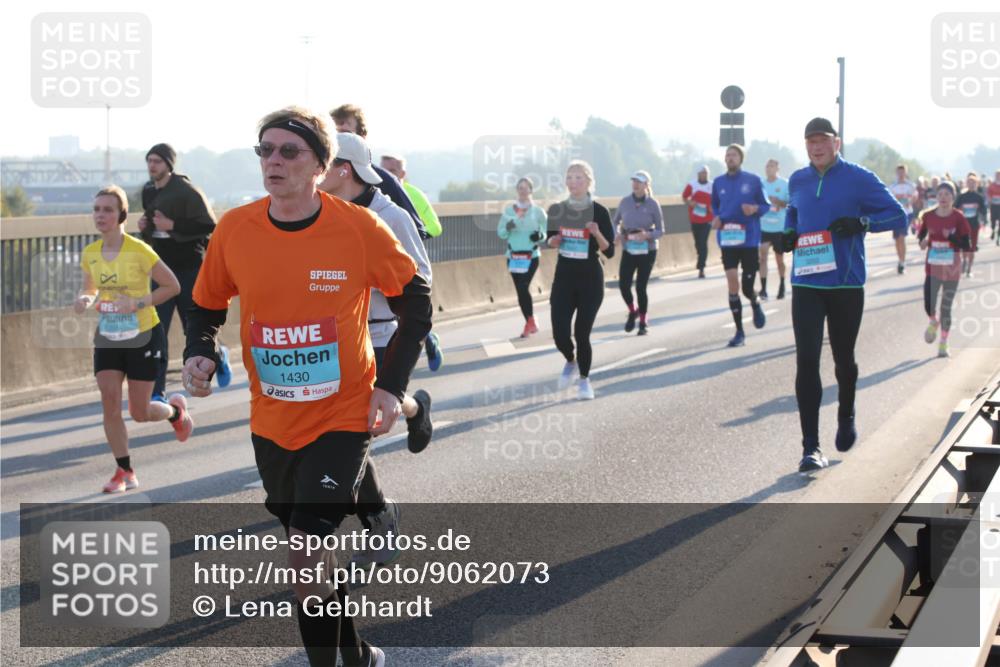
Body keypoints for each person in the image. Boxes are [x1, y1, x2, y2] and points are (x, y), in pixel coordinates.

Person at [182, 107, 432, 667]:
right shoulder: (235, 229)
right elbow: (205, 303)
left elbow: (416, 305)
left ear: (321, 165)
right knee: (310, 567)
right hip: (272, 419)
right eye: (264, 150)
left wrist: (391, 386)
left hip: (343, 413)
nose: (273, 160)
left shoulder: (359, 228)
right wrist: (198, 350)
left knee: (303, 552)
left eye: (288, 151)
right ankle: (360, 655)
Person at [784, 117, 907, 473]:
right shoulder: (798, 179)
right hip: (806, 281)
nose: (816, 147)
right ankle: (811, 448)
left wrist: (862, 223)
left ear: (836, 144)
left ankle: (846, 412)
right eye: (810, 141)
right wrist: (789, 232)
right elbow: (794, 209)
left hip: (846, 284)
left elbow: (897, 216)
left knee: (843, 360)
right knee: (806, 360)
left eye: (822, 140)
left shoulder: (859, 178)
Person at [75, 186, 193, 494]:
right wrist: (85, 299)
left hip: (143, 335)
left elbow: (173, 286)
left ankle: (176, 412)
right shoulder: (90, 254)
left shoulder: (139, 251)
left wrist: (138, 303)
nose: (101, 215)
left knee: (140, 412)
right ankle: (124, 470)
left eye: (108, 210)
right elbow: (90, 287)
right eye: (97, 209)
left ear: (122, 215)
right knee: (109, 401)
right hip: (109, 336)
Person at [331, 104, 443, 373]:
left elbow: (422, 279)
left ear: (345, 169)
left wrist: (373, 277)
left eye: (322, 164)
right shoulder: (322, 215)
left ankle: (413, 407)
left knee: (372, 408)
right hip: (333, 341)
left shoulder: (391, 216)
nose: (313, 172)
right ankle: (413, 408)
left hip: (380, 336)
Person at [138, 144, 224, 401]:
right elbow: (153, 229)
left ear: (168, 164)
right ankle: (157, 392)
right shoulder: (148, 190)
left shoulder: (187, 191)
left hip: (189, 270)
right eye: (149, 161)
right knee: (157, 331)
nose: (152, 166)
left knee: (194, 329)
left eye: (157, 161)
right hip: (161, 271)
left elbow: (209, 225)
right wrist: (145, 227)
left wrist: (173, 225)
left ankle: (219, 357)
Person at [546, 160, 614, 400]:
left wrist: (596, 232)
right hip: (564, 278)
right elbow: (550, 239)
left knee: (581, 333)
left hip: (590, 280)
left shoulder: (599, 212)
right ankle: (570, 360)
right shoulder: (557, 210)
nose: (573, 182)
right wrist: (553, 242)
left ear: (588, 182)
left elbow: (610, 251)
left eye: (578, 178)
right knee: (560, 333)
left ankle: (585, 380)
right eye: (570, 177)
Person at [711, 144, 770, 347]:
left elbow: (766, 206)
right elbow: (715, 206)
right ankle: (739, 332)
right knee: (732, 283)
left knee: (746, 287)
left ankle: (754, 302)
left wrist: (754, 208)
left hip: (749, 239)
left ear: (740, 158)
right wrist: (716, 218)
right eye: (727, 155)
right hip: (727, 239)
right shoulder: (718, 182)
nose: (730, 158)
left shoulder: (753, 180)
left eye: (733, 155)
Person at [917, 181, 972, 358]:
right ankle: (933, 321)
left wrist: (952, 237)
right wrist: (923, 242)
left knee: (946, 307)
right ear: (936, 197)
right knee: (929, 304)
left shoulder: (959, 217)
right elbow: (922, 235)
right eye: (940, 194)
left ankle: (943, 342)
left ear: (953, 197)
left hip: (951, 269)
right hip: (933, 267)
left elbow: (967, 244)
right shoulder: (928, 216)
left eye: (947, 194)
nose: (943, 198)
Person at [614, 170, 663, 335]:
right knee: (623, 285)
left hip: (647, 250)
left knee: (641, 287)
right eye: (634, 181)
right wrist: (618, 235)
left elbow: (661, 230)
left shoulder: (653, 204)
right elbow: (614, 222)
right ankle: (632, 310)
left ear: (646, 185)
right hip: (629, 248)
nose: (635, 184)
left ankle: (643, 321)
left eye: (639, 181)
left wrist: (647, 235)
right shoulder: (625, 202)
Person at [497, 177, 547, 338]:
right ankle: (530, 321)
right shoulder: (510, 211)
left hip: (531, 256)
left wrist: (539, 235)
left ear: (531, 191)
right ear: (517, 190)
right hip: (513, 256)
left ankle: (530, 321)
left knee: (524, 286)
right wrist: (508, 226)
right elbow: (501, 233)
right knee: (520, 291)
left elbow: (546, 233)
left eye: (526, 188)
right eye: (520, 188)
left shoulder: (538, 212)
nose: (523, 191)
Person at [380, 154, 442, 237]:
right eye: (382, 171)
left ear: (402, 174)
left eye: (391, 171)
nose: (386, 175)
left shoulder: (416, 195)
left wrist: (412, 236)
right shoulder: (373, 192)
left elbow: (435, 227)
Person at [758, 159, 790, 300]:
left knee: (779, 259)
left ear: (777, 168)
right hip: (764, 226)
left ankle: (782, 284)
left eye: (771, 166)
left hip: (779, 227)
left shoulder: (784, 184)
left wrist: (778, 202)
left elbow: (789, 203)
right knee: (763, 257)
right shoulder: (761, 185)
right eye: (767, 166)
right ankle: (763, 289)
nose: (769, 168)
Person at [682, 165, 713, 278]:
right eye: (702, 173)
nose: (704, 175)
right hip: (695, 218)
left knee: (703, 242)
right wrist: (690, 203)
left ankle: (701, 267)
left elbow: (718, 200)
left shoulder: (712, 185)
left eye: (706, 173)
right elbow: (684, 197)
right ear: (698, 174)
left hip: (707, 218)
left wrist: (712, 208)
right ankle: (700, 260)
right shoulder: (692, 184)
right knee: (698, 243)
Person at [955, 172, 987, 277]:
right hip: (963, 225)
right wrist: (960, 210)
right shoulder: (962, 197)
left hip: (974, 224)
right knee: (964, 246)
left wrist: (984, 219)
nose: (971, 184)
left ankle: (969, 268)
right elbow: (955, 208)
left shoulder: (979, 197)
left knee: (972, 247)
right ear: (966, 184)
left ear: (976, 184)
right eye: (969, 182)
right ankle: (964, 260)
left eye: (973, 183)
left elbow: (984, 210)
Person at [887, 164, 917, 274]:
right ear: (896, 173)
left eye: (902, 172)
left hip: (907, 213)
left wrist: (910, 200)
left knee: (902, 236)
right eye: (899, 172)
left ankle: (902, 262)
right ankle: (900, 260)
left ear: (905, 173)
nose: (901, 174)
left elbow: (915, 197)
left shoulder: (911, 186)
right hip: (896, 214)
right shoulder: (892, 187)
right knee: (897, 239)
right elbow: (889, 199)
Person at [988, 170, 1000, 243]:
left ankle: (998, 238)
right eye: (997, 175)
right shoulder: (992, 185)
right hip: (994, 205)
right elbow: (989, 194)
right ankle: (993, 230)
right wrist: (990, 199)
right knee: (993, 221)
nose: (998, 176)